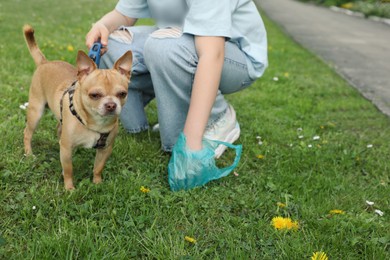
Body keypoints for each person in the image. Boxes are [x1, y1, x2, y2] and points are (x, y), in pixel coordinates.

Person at [86, 0, 267, 189]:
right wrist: (103, 25)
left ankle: (217, 116)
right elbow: (124, 15)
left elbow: (212, 54)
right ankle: (142, 123)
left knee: (163, 48)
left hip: (234, 58)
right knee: (113, 42)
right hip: (179, 40)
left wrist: (191, 142)